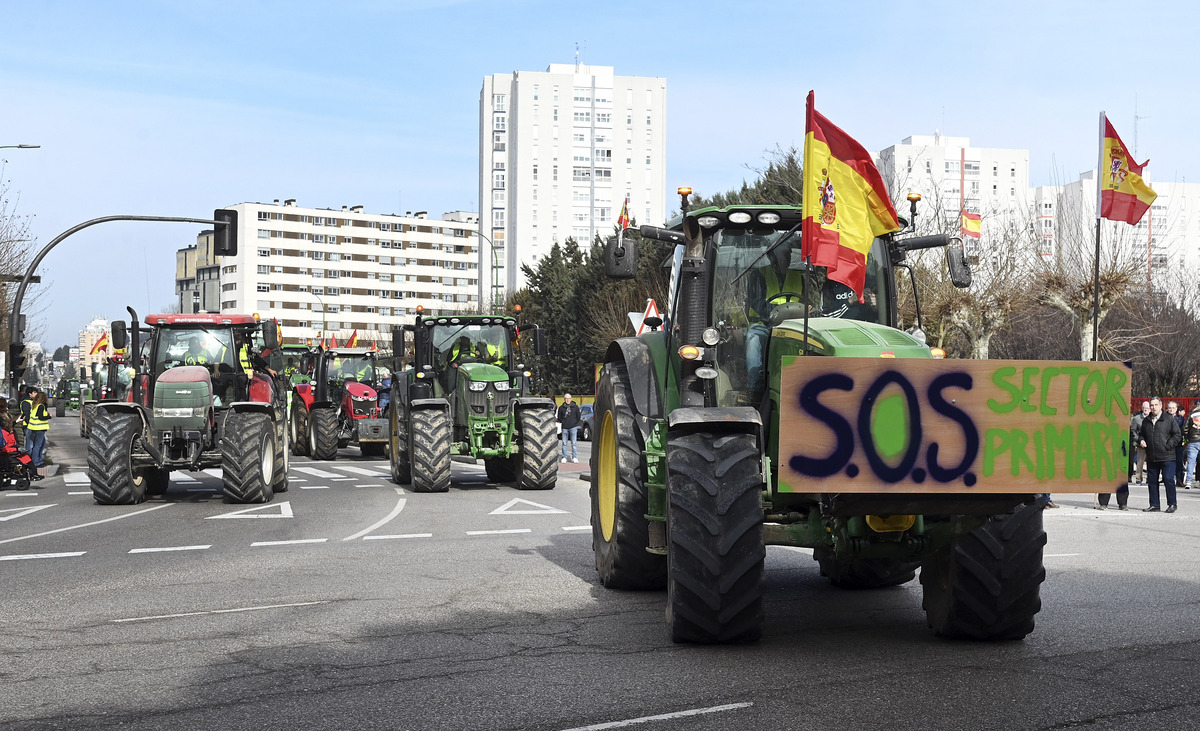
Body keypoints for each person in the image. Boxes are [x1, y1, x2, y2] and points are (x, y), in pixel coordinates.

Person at [1139, 397, 1180, 513]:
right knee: (1152, 481)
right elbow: (1141, 434)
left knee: (1168, 479)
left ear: (1161, 406)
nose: (1153, 407)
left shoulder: (1168, 419)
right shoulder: (1146, 421)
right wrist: (1141, 440)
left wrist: (1168, 445)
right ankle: (1154, 505)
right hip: (1152, 456)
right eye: (1151, 405)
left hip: (1167, 456)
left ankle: (1172, 504)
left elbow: (1177, 435)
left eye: (1156, 405)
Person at [24, 389, 52, 481]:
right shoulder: (41, 406)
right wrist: (49, 416)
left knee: (37, 445)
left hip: (33, 427)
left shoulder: (34, 405)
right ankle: (37, 461)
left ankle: (37, 461)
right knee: (38, 445)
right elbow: (40, 417)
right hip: (39, 428)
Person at [1130, 400, 1150, 484]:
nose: (1146, 409)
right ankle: (1138, 478)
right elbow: (1133, 430)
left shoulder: (1153, 418)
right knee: (1140, 461)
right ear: (1142, 408)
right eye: (1144, 408)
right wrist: (1138, 440)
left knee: (1151, 462)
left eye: (1147, 408)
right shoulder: (1136, 418)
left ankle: (1150, 478)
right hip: (1140, 443)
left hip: (1151, 443)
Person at [1168, 401, 1187, 490]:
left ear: (1176, 409)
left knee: (1179, 462)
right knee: (1168, 462)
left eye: (1173, 408)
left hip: (1178, 444)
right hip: (1167, 443)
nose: (1171, 410)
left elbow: (1183, 430)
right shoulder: (1164, 418)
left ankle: (1179, 480)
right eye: (1170, 408)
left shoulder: (1181, 419)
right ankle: (1168, 479)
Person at [558, 393, 581, 463]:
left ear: (571, 399)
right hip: (565, 427)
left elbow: (578, 417)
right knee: (564, 443)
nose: (567, 400)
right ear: (564, 399)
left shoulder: (575, 407)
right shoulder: (561, 408)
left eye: (569, 398)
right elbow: (559, 417)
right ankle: (564, 457)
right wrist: (563, 422)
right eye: (566, 399)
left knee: (574, 443)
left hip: (573, 427)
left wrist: (574, 423)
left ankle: (574, 457)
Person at [1185, 401, 1200, 488]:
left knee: (1191, 462)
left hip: (1193, 440)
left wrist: (1187, 437)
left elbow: (1185, 428)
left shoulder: (1191, 415)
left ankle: (1188, 482)